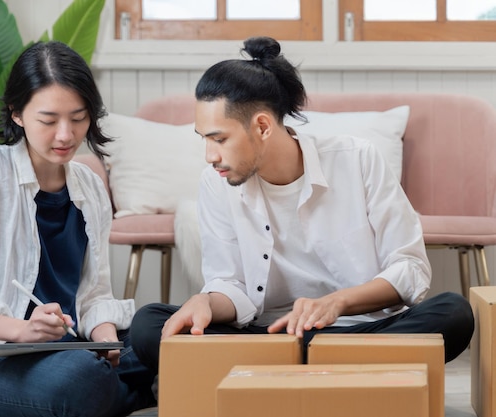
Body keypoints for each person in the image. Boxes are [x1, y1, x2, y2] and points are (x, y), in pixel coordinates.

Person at [130, 36, 474, 376]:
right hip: (267, 337)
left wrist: (337, 303)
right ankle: (331, 375)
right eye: (204, 139)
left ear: (262, 126)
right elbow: (230, 285)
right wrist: (206, 301)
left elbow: (409, 269)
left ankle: (274, 375)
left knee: (453, 313)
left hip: (355, 334)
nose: (210, 156)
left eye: (219, 139)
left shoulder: (358, 159)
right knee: (148, 325)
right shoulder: (215, 182)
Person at [0, 41, 156, 417]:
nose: (66, 135)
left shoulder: (89, 187)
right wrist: (19, 329)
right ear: (17, 114)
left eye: (78, 118)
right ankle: (135, 394)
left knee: (160, 340)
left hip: (70, 348)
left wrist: (106, 339)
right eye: (49, 120)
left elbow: (93, 295)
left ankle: (117, 389)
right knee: (79, 381)